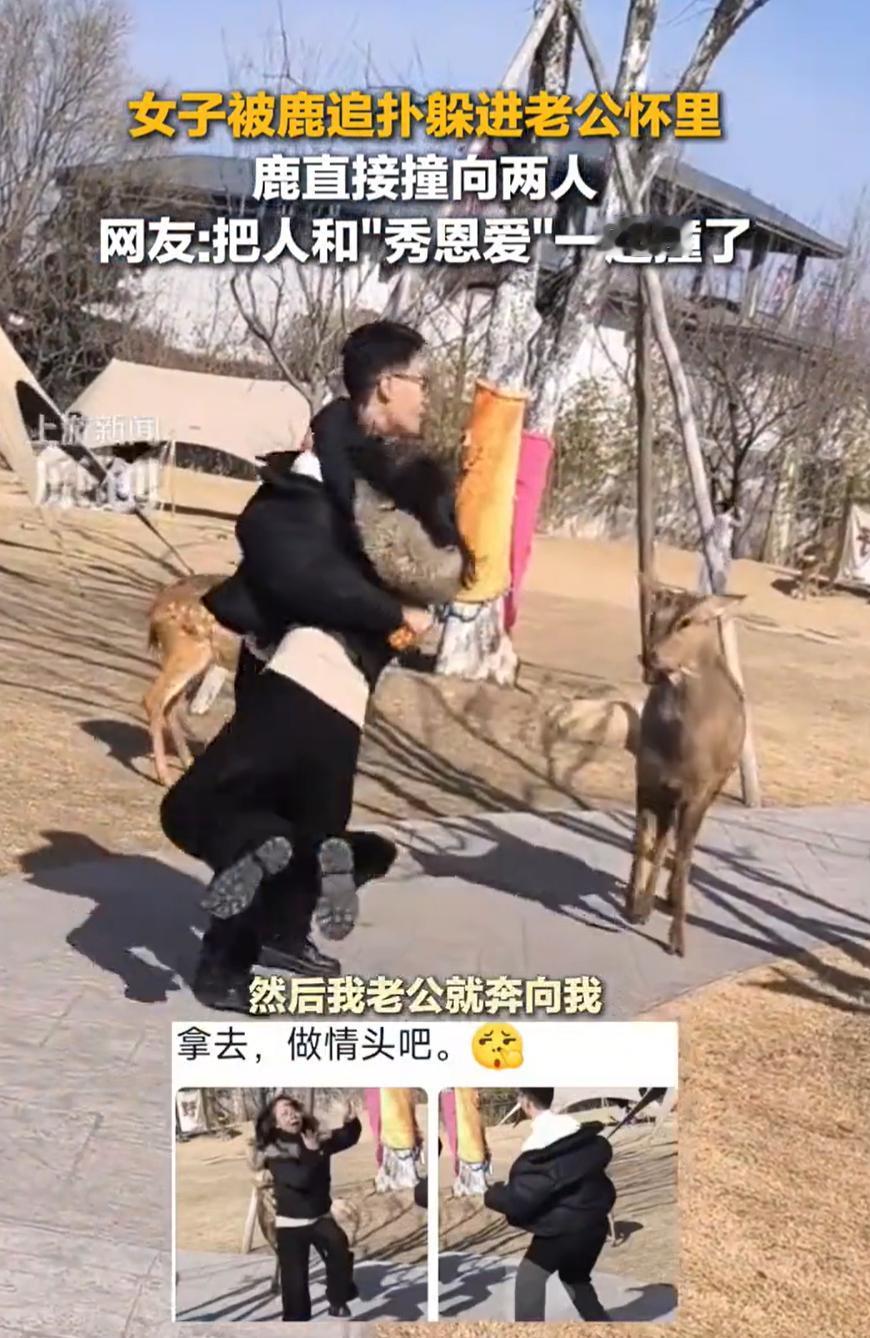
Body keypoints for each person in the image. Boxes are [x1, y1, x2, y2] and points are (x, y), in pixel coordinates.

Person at [160, 320, 473, 1011]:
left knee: (278, 822)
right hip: (300, 670)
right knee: (243, 817)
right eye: (419, 382)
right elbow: (293, 563)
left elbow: (419, 564)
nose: (427, 395)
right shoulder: (326, 465)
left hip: (330, 683)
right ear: (385, 384)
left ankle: (278, 928)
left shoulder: (384, 476)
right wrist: (394, 615)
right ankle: (266, 930)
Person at [484, 1088, 615, 1322]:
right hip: (595, 1224)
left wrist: (492, 1195)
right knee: (575, 1278)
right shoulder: (578, 1131)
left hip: (562, 1230)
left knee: (529, 1280)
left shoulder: (537, 1148)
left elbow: (520, 1200)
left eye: (519, 1097)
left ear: (526, 1102)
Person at [251, 1094, 361, 1321]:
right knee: (295, 1285)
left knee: (339, 1248)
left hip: (320, 1216)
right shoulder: (275, 1149)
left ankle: (337, 1299)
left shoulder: (314, 1136)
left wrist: (351, 1122)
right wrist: (313, 1151)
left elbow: (346, 1138)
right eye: (284, 1113)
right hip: (291, 1223)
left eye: (293, 1110)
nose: (291, 1115)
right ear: (276, 1123)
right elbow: (299, 1179)